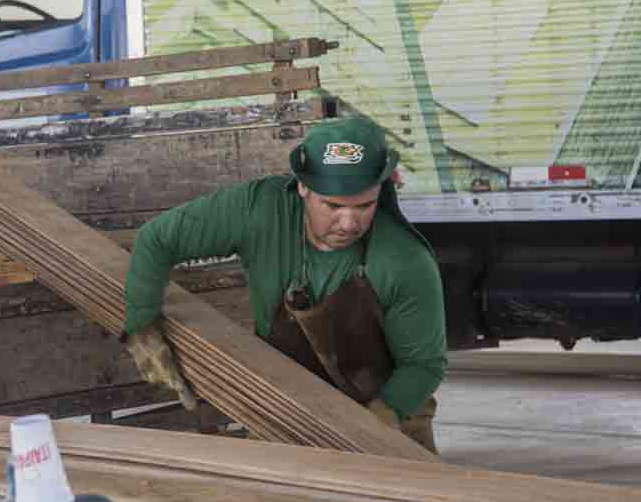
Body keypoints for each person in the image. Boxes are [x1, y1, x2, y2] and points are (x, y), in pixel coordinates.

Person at [122, 116, 446, 452]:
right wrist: (141, 326)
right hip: (284, 403)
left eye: (364, 206)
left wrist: (369, 427)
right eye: (333, 206)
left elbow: (423, 366)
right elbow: (156, 240)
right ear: (303, 186)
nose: (349, 223)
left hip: (389, 407)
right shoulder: (258, 211)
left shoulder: (405, 261)